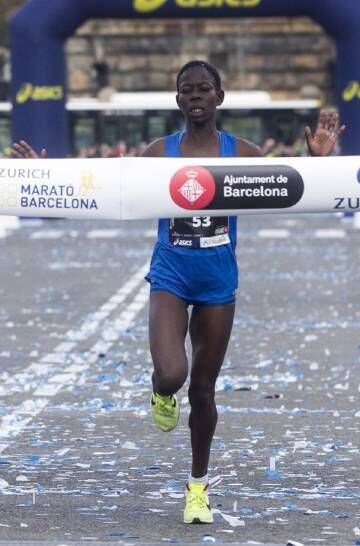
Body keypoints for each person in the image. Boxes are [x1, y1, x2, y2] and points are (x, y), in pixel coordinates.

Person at [11, 60, 346, 525]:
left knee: (204, 390)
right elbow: (104, 188)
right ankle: (160, 391)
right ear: (177, 100)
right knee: (173, 373)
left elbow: (287, 186)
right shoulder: (158, 152)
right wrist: (44, 179)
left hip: (217, 279)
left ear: (219, 97)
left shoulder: (239, 152)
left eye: (203, 89)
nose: (195, 97)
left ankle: (197, 488)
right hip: (171, 272)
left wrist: (316, 161)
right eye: (186, 90)